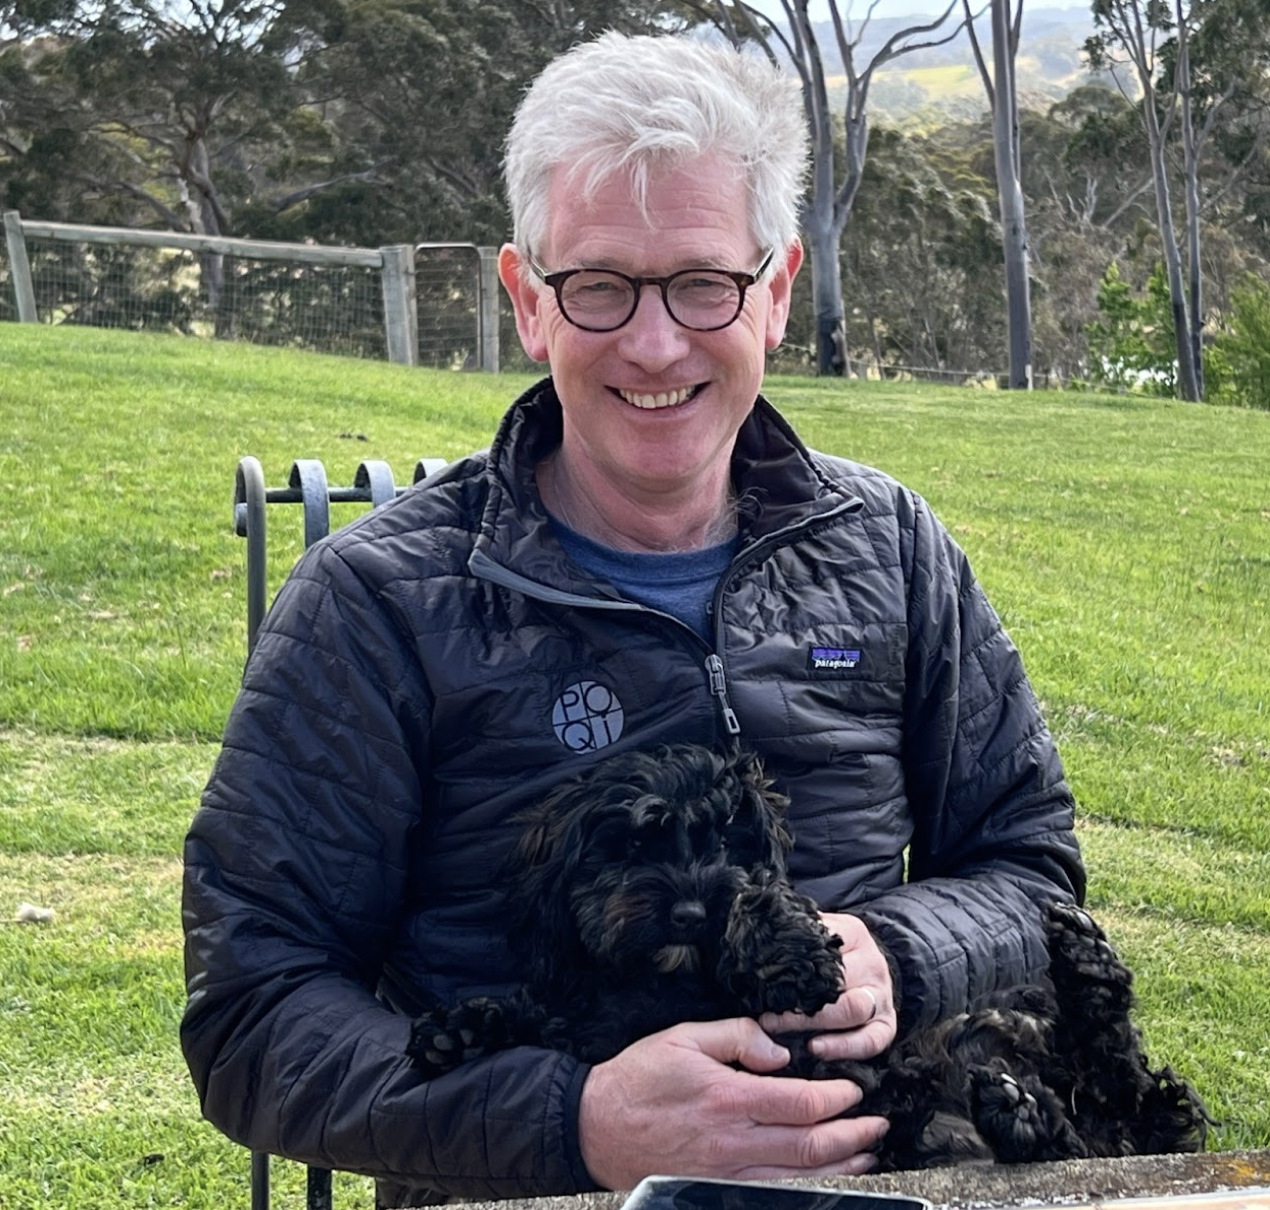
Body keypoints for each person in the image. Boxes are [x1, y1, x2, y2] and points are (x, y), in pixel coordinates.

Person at [181, 30, 1085, 1206]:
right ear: (527, 300)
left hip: (891, 1168)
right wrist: (575, 1120)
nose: (654, 345)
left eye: (703, 282)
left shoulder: (890, 549)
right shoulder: (379, 602)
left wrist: (899, 953)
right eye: (598, 286)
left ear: (775, 290)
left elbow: (1033, 870)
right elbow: (253, 1007)